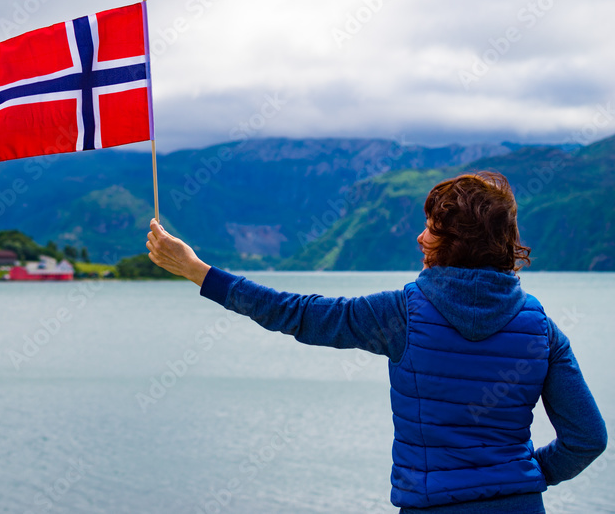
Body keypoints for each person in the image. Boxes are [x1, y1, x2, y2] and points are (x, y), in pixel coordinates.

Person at [146, 171, 607, 513]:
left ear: (452, 242)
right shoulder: (541, 328)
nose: (420, 235)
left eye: (431, 227)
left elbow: (298, 313)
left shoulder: (402, 314)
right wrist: (525, 477)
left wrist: (199, 273)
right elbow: (588, 439)